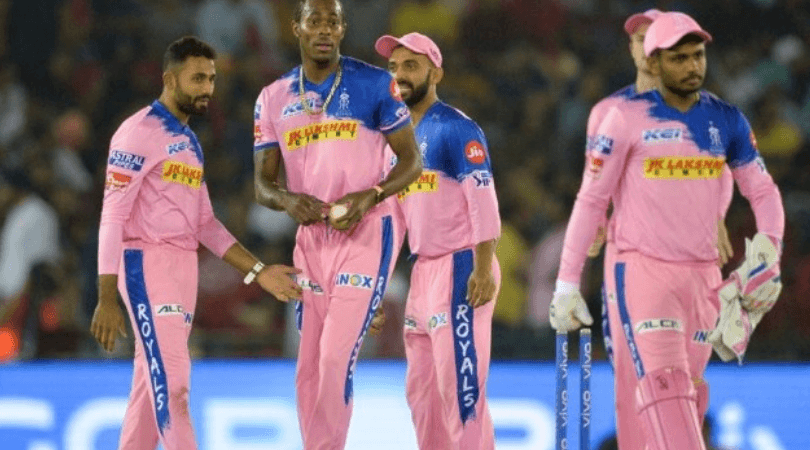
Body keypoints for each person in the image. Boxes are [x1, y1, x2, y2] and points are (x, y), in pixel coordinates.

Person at [550, 12, 784, 450]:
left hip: (703, 275)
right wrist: (567, 281)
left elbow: (762, 190)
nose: (693, 66)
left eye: (698, 56)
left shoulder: (726, 118)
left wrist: (770, 252)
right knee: (663, 386)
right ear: (654, 61)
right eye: (679, 58)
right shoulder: (620, 116)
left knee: (689, 390)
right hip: (641, 268)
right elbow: (592, 198)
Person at [91, 36, 302, 450]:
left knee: (149, 387)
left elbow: (205, 224)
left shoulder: (188, 142)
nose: (208, 88)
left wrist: (259, 272)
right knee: (175, 387)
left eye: (211, 78)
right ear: (170, 79)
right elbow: (112, 216)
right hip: (146, 266)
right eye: (198, 78)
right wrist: (105, 295)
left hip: (182, 271)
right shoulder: (137, 132)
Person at [252, 1, 422, 448]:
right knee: (308, 366)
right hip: (311, 239)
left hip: (368, 229)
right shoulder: (272, 97)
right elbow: (263, 186)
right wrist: (288, 201)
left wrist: (372, 195)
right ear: (297, 28)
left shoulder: (375, 84)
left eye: (333, 21)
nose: (324, 29)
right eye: (315, 21)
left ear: (343, 29)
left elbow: (412, 162)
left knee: (333, 358)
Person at [586, 10, 737, 450]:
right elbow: (594, 181)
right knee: (631, 371)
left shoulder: (704, 110)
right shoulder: (609, 111)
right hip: (630, 256)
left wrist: (716, 214)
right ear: (636, 50)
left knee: (689, 374)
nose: (645, 46)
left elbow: (722, 170)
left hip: (690, 258)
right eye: (638, 39)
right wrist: (596, 224)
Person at [375, 33, 501, 449]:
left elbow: (483, 200)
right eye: (394, 67)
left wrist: (482, 267)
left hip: (461, 265)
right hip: (423, 272)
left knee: (461, 391)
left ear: (436, 74)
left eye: (411, 66)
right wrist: (377, 287)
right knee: (423, 396)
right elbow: (394, 223)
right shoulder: (394, 143)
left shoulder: (456, 128)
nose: (399, 75)